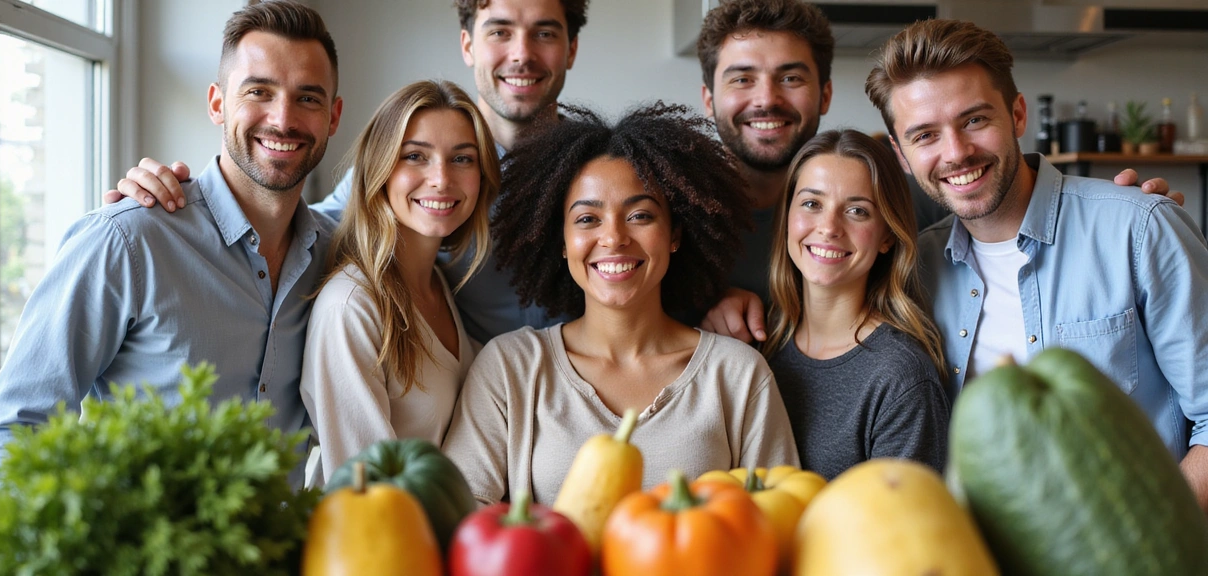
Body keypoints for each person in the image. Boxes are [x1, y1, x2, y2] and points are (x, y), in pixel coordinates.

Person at [864, 18, 1208, 510]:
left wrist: (1148, 541)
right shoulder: (914, 272)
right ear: (900, 153)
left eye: (975, 120)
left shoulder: (1138, 229)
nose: (956, 153)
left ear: (1018, 114)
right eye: (925, 136)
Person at [0, 0, 342, 484]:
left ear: (333, 116)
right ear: (218, 103)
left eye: (308, 98)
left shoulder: (337, 258)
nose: (283, 119)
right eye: (258, 91)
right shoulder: (128, 239)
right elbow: (14, 428)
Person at [695, 0, 1182, 345]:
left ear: (823, 94)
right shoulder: (676, 223)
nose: (766, 98)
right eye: (742, 78)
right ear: (709, 99)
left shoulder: (911, 206)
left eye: (790, 77)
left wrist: (1130, 218)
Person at [107, 0, 590, 345]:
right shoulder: (399, 174)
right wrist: (171, 196)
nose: (521, 53)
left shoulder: (606, 172)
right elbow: (294, 226)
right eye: (499, 31)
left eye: (545, 33)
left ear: (570, 50)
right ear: (468, 44)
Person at [441, 103, 800, 505]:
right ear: (560, 241)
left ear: (675, 234)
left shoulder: (737, 374)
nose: (613, 238)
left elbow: (779, 527)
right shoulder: (511, 368)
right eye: (587, 219)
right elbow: (459, 519)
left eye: (640, 215)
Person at [300, 80, 499, 485]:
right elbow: (365, 492)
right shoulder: (351, 306)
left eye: (462, 159)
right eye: (415, 156)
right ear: (380, 168)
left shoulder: (439, 285)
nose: (441, 178)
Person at [763, 129, 949, 479]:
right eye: (811, 204)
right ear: (788, 217)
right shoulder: (758, 344)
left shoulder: (901, 378)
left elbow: (900, 527)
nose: (829, 227)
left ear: (887, 236)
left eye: (857, 211)